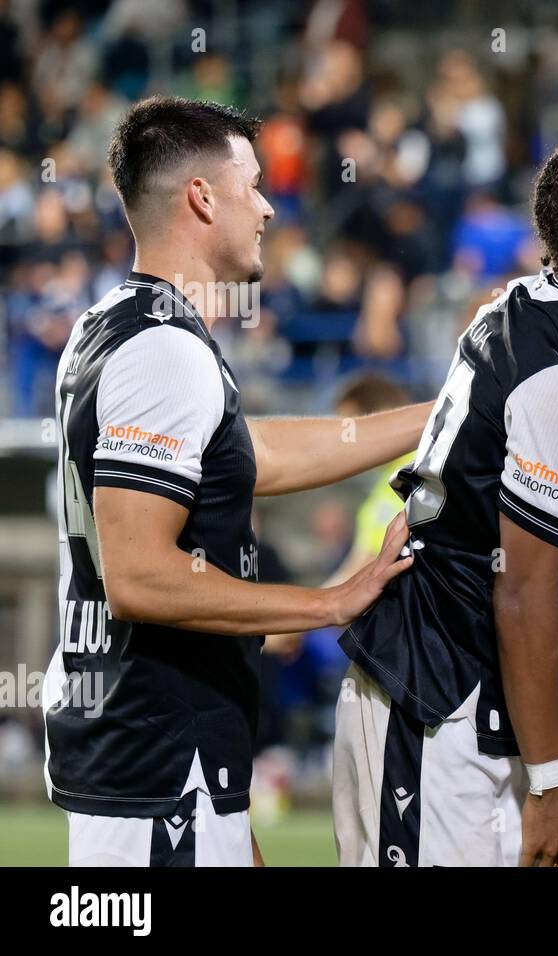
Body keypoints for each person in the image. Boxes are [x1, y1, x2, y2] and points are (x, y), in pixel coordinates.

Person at [44, 96, 429, 867]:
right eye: (252, 185)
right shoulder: (165, 351)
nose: (267, 206)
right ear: (201, 197)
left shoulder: (116, 327)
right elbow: (142, 578)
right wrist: (331, 601)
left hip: (161, 764)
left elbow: (253, 454)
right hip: (157, 765)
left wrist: (446, 411)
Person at [332, 131, 558, 866]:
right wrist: (553, 784)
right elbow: (523, 587)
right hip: (437, 699)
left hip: (458, 693)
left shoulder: (530, 307)